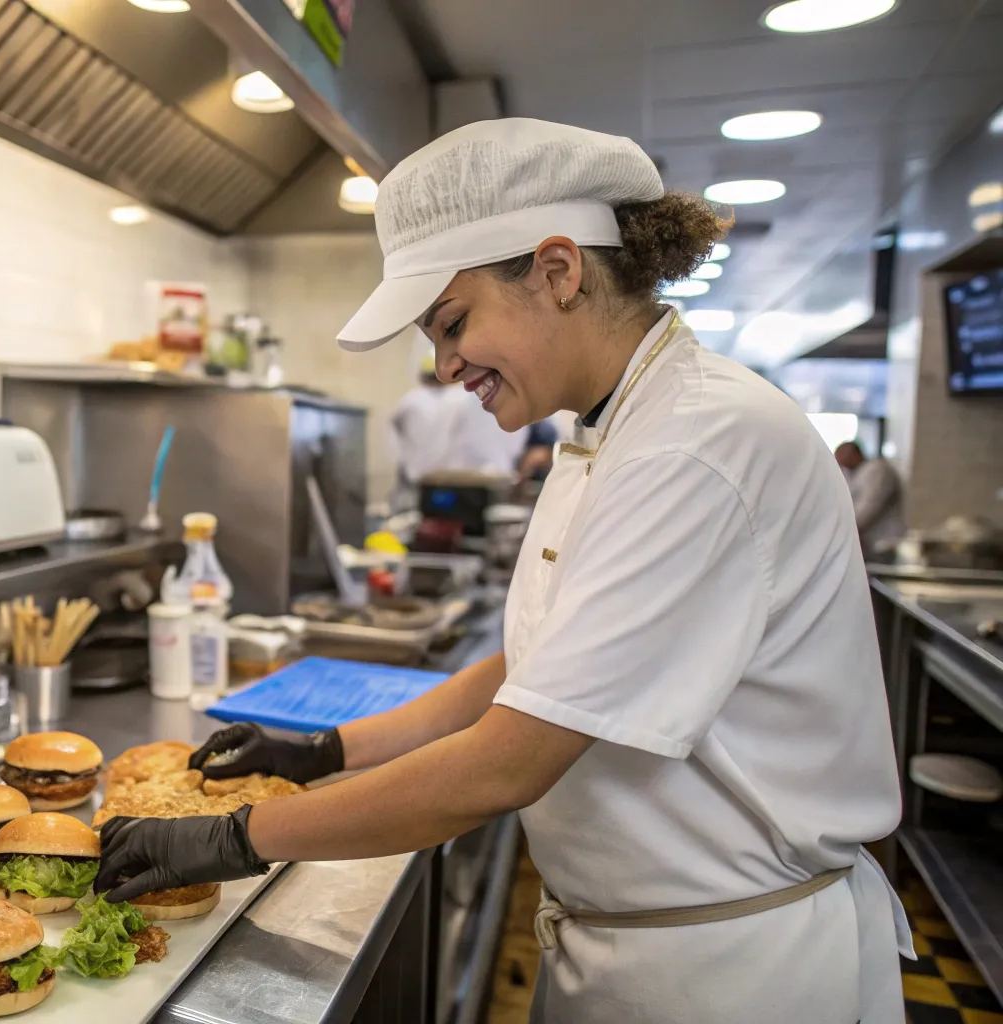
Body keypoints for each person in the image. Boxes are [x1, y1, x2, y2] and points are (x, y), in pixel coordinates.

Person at [94, 119, 909, 1024]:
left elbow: (506, 765)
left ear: (558, 270)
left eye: (452, 323)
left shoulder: (695, 445)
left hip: (732, 974)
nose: (445, 367)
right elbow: (538, 670)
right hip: (634, 946)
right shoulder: (609, 431)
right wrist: (325, 751)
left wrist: (237, 836)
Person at [389, 355, 530, 510]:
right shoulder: (468, 398)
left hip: (446, 481)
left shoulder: (420, 401)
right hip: (494, 481)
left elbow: (432, 445)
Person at [835, 440, 906, 555]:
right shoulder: (855, 473)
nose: (840, 462)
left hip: (884, 543)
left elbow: (867, 508)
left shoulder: (877, 470)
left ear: (855, 454)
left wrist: (839, 527)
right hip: (869, 544)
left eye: (842, 457)